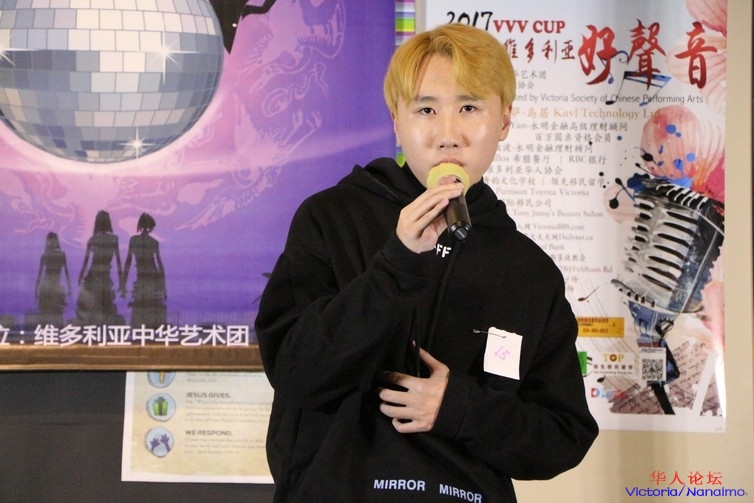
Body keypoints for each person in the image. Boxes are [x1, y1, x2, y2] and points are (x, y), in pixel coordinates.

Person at [255, 23, 598, 502]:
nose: (448, 135)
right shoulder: (332, 218)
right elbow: (295, 370)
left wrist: (458, 407)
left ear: (504, 121)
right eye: (426, 110)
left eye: (469, 108)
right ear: (396, 120)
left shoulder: (528, 269)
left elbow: (563, 435)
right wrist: (396, 263)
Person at [75, 210, 123, 325]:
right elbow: (118, 262)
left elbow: (85, 262)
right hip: (104, 276)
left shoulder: (93, 239)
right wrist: (122, 282)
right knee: (106, 308)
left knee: (91, 310)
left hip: (93, 276)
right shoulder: (114, 239)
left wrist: (80, 277)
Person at [120, 213, 167, 328]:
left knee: (141, 310)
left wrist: (123, 284)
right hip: (152, 278)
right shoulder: (154, 242)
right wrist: (164, 287)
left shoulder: (134, 240)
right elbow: (159, 265)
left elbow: (128, 263)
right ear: (151, 227)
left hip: (142, 277)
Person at [34, 232, 72, 326]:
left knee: (52, 314)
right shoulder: (47, 255)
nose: (52, 242)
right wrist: (36, 291)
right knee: (52, 314)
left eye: (53, 240)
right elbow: (39, 275)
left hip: (52, 285)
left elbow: (66, 272)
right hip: (49, 286)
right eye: (50, 240)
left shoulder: (53, 255)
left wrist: (69, 288)